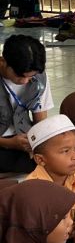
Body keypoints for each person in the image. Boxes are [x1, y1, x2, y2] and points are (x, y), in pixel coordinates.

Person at [25, 114, 75, 243]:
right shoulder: (32, 186)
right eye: (65, 151)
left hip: (72, 238)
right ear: (41, 160)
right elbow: (32, 232)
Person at [0, 33, 52, 174]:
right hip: (4, 141)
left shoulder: (39, 78)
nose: (25, 81)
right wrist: (9, 143)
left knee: (57, 157)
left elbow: (40, 119)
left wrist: (37, 142)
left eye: (31, 76)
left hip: (22, 140)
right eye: (20, 76)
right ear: (3, 61)